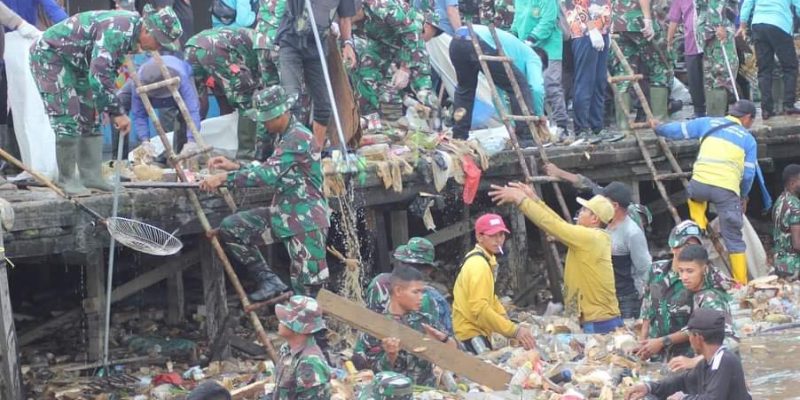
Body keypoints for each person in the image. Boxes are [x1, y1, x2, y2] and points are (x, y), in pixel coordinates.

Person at [29, 5, 182, 196]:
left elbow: (104, 73)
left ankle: (91, 176)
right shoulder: (119, 30)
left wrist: (111, 109)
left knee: (90, 113)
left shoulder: (132, 33)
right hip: (51, 56)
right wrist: (117, 112)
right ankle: (66, 179)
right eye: (158, 42)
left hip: (79, 61)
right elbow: (100, 75)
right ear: (147, 30)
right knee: (67, 115)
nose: (157, 48)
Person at [199, 86, 331, 299]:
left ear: (281, 114)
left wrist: (224, 178)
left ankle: (315, 331)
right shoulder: (284, 135)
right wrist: (235, 167)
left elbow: (268, 175)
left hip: (306, 221)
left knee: (307, 290)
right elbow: (270, 167)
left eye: (267, 119)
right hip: (283, 214)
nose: (263, 124)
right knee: (232, 227)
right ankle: (270, 280)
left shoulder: (298, 137)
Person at [654, 99, 770, 284]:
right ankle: (740, 283)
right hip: (726, 190)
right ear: (748, 118)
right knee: (734, 239)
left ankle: (700, 226)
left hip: (700, 185)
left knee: (693, 197)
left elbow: (678, 130)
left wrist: (658, 128)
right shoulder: (748, 139)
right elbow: (748, 175)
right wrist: (743, 196)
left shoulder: (708, 122)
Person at [489, 183, 622, 333]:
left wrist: (521, 200)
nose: (580, 213)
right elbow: (560, 225)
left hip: (598, 322)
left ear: (594, 219)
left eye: (585, 210)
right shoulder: (590, 237)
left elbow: (554, 226)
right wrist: (535, 200)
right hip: (594, 320)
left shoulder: (592, 237)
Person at [637, 221, 728, 361]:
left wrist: (662, 341)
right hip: (656, 352)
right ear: (673, 247)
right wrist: (642, 343)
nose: (689, 250)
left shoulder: (705, 278)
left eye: (694, 245)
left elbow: (702, 325)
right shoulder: (656, 271)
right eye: (685, 245)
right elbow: (648, 307)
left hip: (687, 354)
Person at [185, 27, 279, 160]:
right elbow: (262, 88)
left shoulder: (252, 37)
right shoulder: (266, 47)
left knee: (194, 104)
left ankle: (181, 152)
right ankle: (245, 158)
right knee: (245, 100)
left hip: (192, 47)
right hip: (215, 49)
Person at [354, 266, 457, 385]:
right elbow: (374, 376)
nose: (421, 297)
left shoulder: (425, 319)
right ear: (398, 291)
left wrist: (443, 339)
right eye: (415, 292)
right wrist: (390, 355)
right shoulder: (377, 326)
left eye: (422, 292)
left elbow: (453, 355)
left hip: (427, 393)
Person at [276, 0, 357, 151]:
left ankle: (315, 152)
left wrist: (348, 43)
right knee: (292, 99)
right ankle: (290, 151)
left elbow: (345, 18)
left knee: (324, 104)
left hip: (317, 43)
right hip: (291, 40)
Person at [452, 213, 537, 353]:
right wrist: (513, 331)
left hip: (476, 330)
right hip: (471, 335)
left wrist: (504, 318)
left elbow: (491, 297)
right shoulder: (478, 265)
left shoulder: (485, 259)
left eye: (501, 235)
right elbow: (480, 309)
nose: (498, 240)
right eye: (492, 236)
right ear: (479, 237)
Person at [626, 308, 751, 400]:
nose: (689, 339)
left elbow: (713, 398)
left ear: (697, 338)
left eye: (690, 335)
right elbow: (682, 381)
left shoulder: (725, 360)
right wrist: (649, 387)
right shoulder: (706, 363)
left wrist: (683, 398)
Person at [449, 23, 545, 139]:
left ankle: (459, 135)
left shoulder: (512, 56)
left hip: (457, 40)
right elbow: (536, 88)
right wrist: (539, 115)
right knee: (519, 85)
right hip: (477, 41)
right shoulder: (533, 57)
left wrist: (511, 124)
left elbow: (496, 97)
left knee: (465, 90)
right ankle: (526, 137)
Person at [351, 0, 431, 116]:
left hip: (411, 43)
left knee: (421, 87)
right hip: (385, 45)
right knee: (366, 71)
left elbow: (412, 32)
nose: (347, 19)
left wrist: (404, 68)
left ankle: (434, 118)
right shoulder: (353, 21)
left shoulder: (382, 6)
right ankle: (387, 117)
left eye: (348, 16)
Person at [364, 237, 453, 335]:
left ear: (400, 262)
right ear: (428, 270)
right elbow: (447, 336)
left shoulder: (378, 282)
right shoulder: (434, 298)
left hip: (377, 342)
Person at [511, 0, 569, 139]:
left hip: (549, 47)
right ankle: (532, 126)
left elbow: (548, 20)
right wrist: (511, 36)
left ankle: (561, 126)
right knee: (526, 86)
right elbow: (518, 20)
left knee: (550, 85)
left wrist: (532, 38)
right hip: (525, 48)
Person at [118, 55, 200, 154]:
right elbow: (139, 114)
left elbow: (192, 110)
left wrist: (192, 140)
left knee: (185, 115)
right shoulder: (138, 83)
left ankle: (184, 150)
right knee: (118, 104)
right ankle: (121, 156)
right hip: (147, 82)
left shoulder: (181, 78)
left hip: (176, 80)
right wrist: (145, 140)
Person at [611, 0, 673, 127]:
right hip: (639, 20)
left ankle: (623, 126)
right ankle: (660, 123)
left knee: (623, 73)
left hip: (618, 22)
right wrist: (647, 19)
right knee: (660, 68)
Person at [738, 0, 800, 119]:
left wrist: (743, 25)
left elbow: (747, 4)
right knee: (790, 67)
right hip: (780, 24)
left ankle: (766, 109)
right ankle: (788, 105)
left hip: (758, 25)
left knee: (764, 69)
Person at [563, 0, 611, 139]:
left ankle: (597, 126)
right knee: (585, 81)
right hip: (583, 32)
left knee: (600, 81)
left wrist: (607, 30)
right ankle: (581, 128)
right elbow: (577, 4)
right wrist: (591, 28)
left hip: (603, 31)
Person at [273, 295, 332, 399]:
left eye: (285, 320)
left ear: (298, 327)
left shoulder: (310, 363)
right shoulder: (287, 349)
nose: (280, 322)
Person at [695, 0, 738, 116]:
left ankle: (714, 116)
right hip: (717, 28)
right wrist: (718, 25)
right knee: (721, 74)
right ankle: (717, 117)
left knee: (712, 75)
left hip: (708, 27)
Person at [668, 0, 705, 118]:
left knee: (713, 78)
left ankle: (718, 111)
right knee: (694, 79)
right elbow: (673, 20)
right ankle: (699, 111)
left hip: (710, 43)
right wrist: (668, 41)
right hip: (691, 43)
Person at [772, 164, 800, 280]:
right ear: (793, 183)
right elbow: (797, 243)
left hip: (779, 263)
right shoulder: (795, 206)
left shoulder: (778, 201)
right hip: (793, 266)